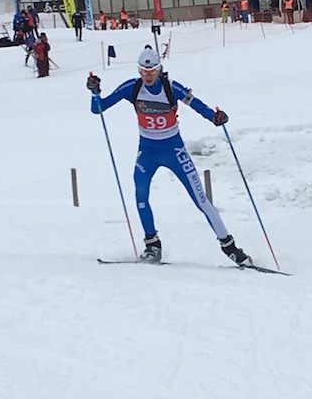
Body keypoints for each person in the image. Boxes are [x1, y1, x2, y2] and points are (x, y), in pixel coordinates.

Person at [86, 46, 253, 267]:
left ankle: (230, 248)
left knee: (201, 199)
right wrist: (94, 92)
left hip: (174, 150)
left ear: (159, 69)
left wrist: (215, 117)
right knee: (141, 194)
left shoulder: (170, 87)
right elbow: (99, 108)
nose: (148, 76)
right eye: (144, 72)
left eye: (152, 71)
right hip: (147, 152)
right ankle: (152, 245)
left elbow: (196, 104)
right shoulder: (132, 88)